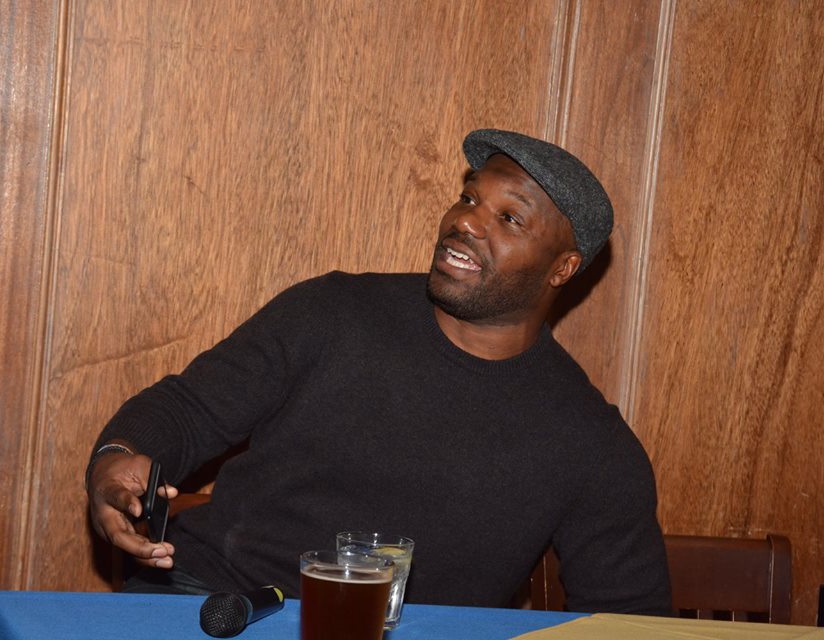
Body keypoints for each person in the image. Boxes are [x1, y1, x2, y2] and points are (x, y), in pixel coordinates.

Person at [86, 129, 672, 614]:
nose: (467, 222)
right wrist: (116, 456)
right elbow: (187, 410)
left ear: (562, 269)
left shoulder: (590, 442)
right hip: (217, 604)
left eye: (510, 218)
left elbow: (629, 621)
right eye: (469, 198)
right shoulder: (332, 313)